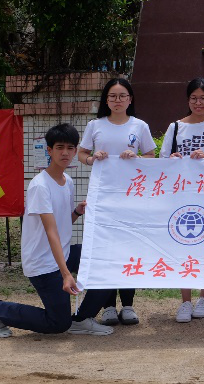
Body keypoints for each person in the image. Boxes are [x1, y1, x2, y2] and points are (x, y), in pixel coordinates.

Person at [0, 124, 113, 337]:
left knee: (106, 263)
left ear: (75, 151)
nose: (65, 153)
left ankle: (81, 320)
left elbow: (62, 224)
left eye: (70, 148)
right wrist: (66, 274)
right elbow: (51, 231)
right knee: (58, 323)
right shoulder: (40, 186)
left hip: (62, 254)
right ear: (49, 150)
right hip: (42, 263)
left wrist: (76, 212)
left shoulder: (67, 181)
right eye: (59, 147)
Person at [78, 78, 156, 327]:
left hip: (131, 198)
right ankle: (108, 306)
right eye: (112, 96)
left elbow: (151, 155)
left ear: (130, 99)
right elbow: (81, 153)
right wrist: (92, 159)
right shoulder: (95, 125)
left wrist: (136, 157)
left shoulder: (139, 126)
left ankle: (128, 305)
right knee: (106, 250)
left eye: (122, 96)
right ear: (106, 100)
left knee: (129, 248)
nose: (117, 100)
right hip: (103, 198)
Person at [160, 78, 204, 323]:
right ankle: (185, 301)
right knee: (184, 245)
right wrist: (173, 158)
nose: (198, 103)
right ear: (188, 100)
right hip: (181, 196)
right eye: (194, 98)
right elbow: (162, 162)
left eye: (203, 98)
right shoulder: (175, 128)